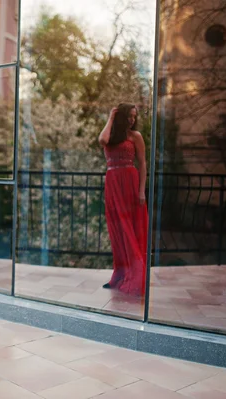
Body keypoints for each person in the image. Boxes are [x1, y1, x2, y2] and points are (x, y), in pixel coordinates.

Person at [98, 103, 148, 296]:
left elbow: (143, 164)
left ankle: (135, 274)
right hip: (113, 183)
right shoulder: (110, 136)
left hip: (130, 182)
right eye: (129, 116)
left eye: (134, 116)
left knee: (129, 228)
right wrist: (111, 117)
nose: (132, 120)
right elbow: (102, 140)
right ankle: (120, 274)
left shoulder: (136, 137)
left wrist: (141, 190)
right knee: (117, 229)